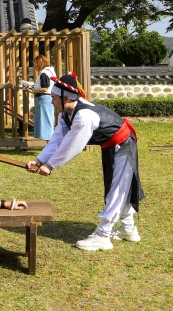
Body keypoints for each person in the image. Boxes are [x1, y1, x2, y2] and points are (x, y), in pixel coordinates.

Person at [27, 74, 144, 252]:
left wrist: (50, 166)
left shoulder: (84, 115)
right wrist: (40, 160)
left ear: (66, 98)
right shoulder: (65, 115)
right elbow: (58, 139)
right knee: (116, 187)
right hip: (111, 146)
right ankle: (129, 229)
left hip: (123, 145)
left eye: (53, 99)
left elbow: (72, 145)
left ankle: (103, 236)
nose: (52, 103)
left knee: (117, 190)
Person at [31, 54, 56, 140]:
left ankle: (48, 142)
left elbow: (45, 88)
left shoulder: (44, 73)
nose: (35, 66)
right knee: (45, 119)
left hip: (44, 98)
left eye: (36, 63)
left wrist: (34, 91)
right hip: (47, 98)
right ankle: (46, 141)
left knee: (45, 120)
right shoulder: (50, 71)